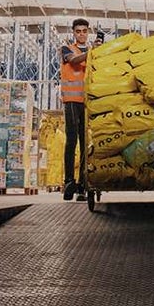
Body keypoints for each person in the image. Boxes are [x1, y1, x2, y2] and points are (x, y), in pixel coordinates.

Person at [59, 18, 101, 201]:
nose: (82, 34)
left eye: (84, 31)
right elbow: (74, 61)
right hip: (71, 101)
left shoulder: (95, 51)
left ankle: (83, 185)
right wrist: (92, 52)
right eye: (78, 31)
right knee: (71, 140)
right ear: (73, 33)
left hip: (88, 102)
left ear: (88, 32)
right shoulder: (67, 48)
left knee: (85, 142)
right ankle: (69, 182)